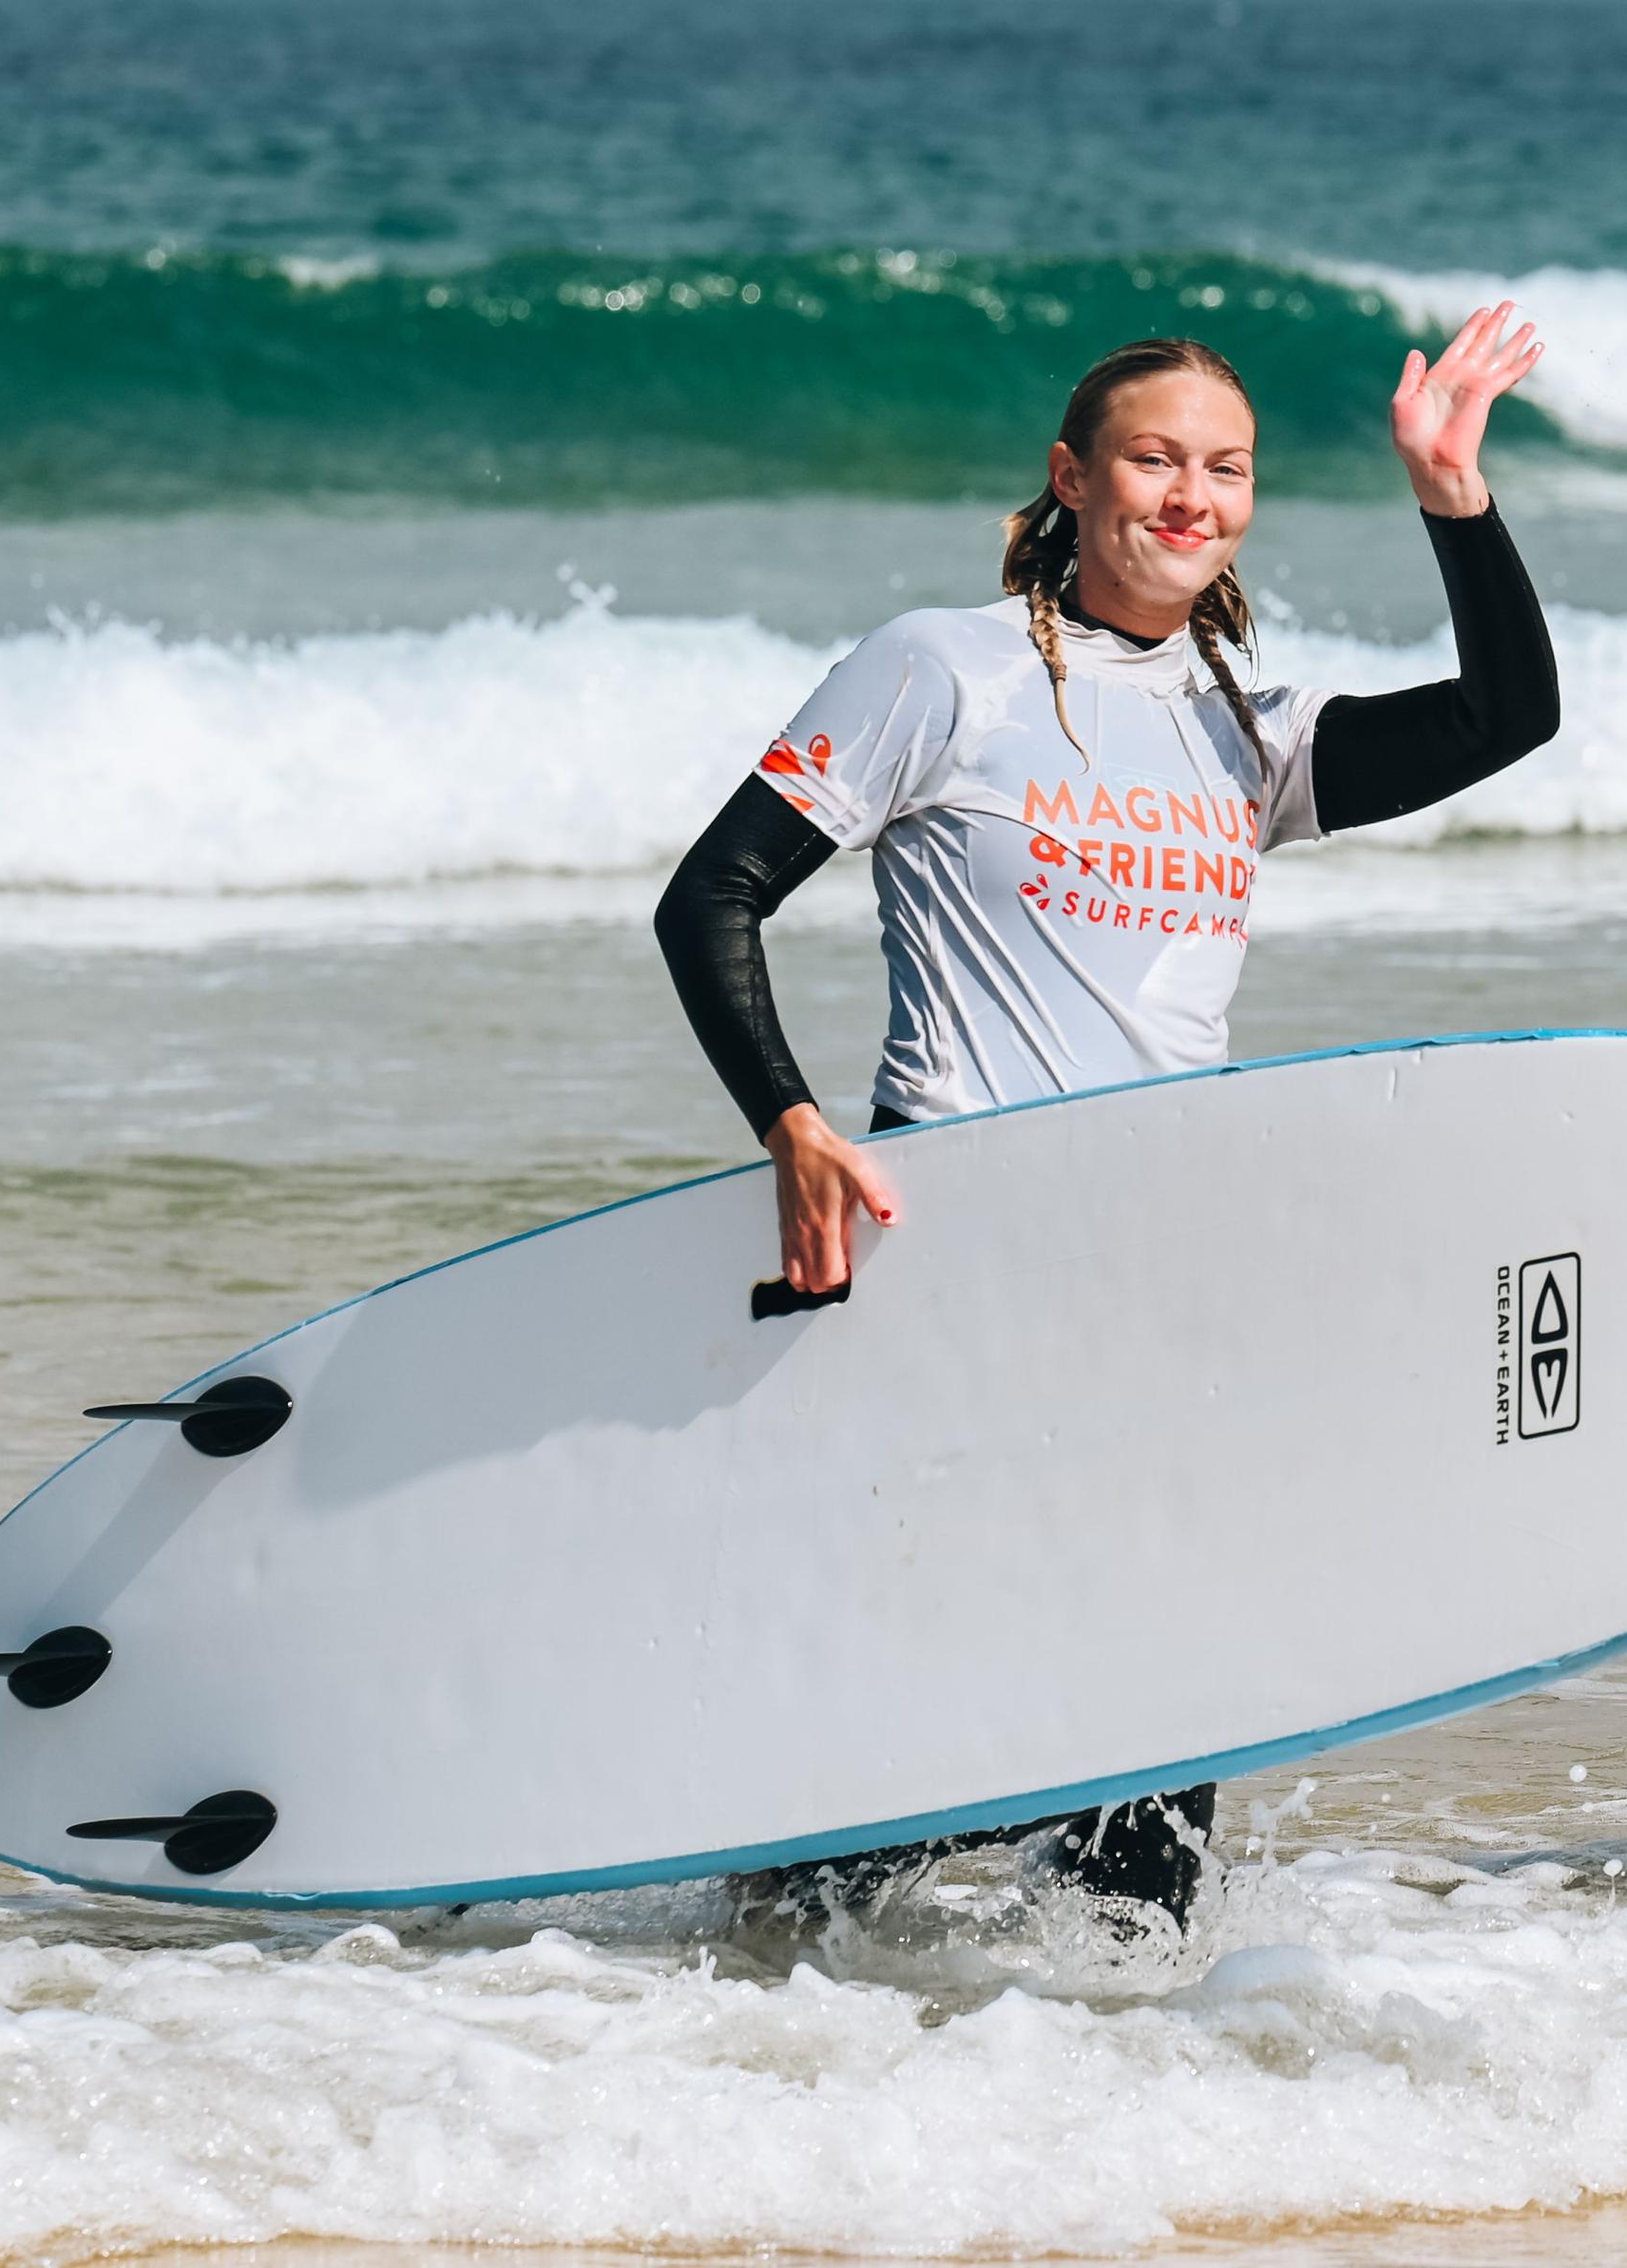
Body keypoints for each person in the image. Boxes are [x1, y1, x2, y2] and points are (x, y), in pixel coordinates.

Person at [654, 309, 1560, 1927]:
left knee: (1163, 1695)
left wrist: (1453, 498)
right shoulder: (941, 667)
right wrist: (791, 1124)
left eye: (1227, 467)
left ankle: (1110, 2061)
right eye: (1154, 458)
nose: (1191, 494)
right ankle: (776, 1998)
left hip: (1166, 1246)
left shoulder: (1247, 727)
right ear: (1072, 480)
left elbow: (1510, 715)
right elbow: (714, 893)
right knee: (954, 1668)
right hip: (964, 1233)